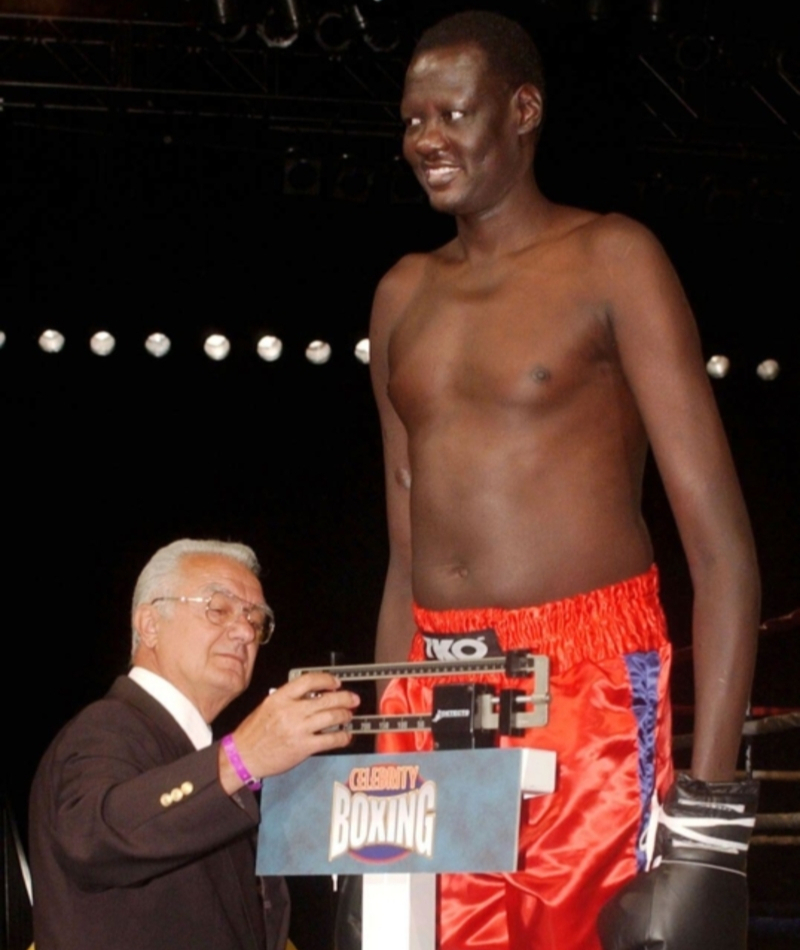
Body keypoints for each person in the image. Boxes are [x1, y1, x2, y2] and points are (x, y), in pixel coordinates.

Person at [369, 11, 759, 950]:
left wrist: (708, 824)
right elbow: (404, 552)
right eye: (412, 120)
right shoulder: (399, 294)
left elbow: (724, 554)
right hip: (436, 689)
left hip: (585, 686)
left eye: (451, 114)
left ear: (523, 110)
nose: (426, 140)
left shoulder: (613, 258)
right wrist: (380, 765)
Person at [29, 538, 359, 950]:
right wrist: (242, 757)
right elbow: (95, 837)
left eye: (256, 620)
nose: (244, 631)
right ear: (149, 624)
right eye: (218, 609)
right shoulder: (105, 728)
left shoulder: (203, 757)